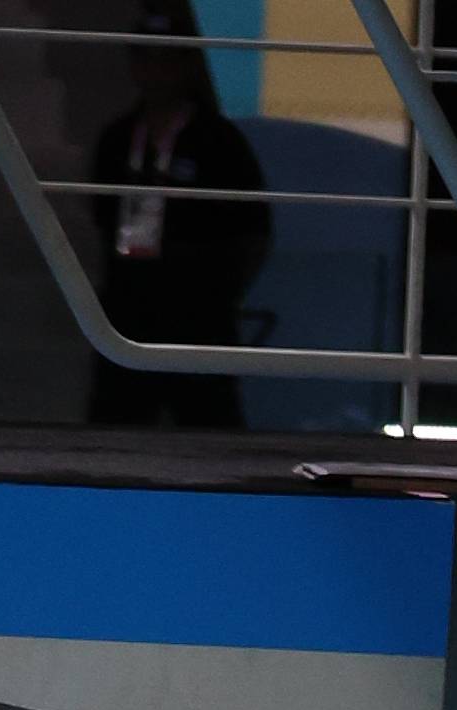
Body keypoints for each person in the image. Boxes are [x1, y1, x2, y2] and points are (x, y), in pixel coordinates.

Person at [82, 0, 265, 431]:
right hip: (127, 315)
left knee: (209, 432)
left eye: (168, 58)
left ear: (187, 66)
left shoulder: (219, 142)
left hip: (199, 318)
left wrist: (222, 293)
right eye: (146, 57)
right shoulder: (117, 138)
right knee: (115, 434)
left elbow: (256, 232)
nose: (156, 70)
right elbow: (98, 219)